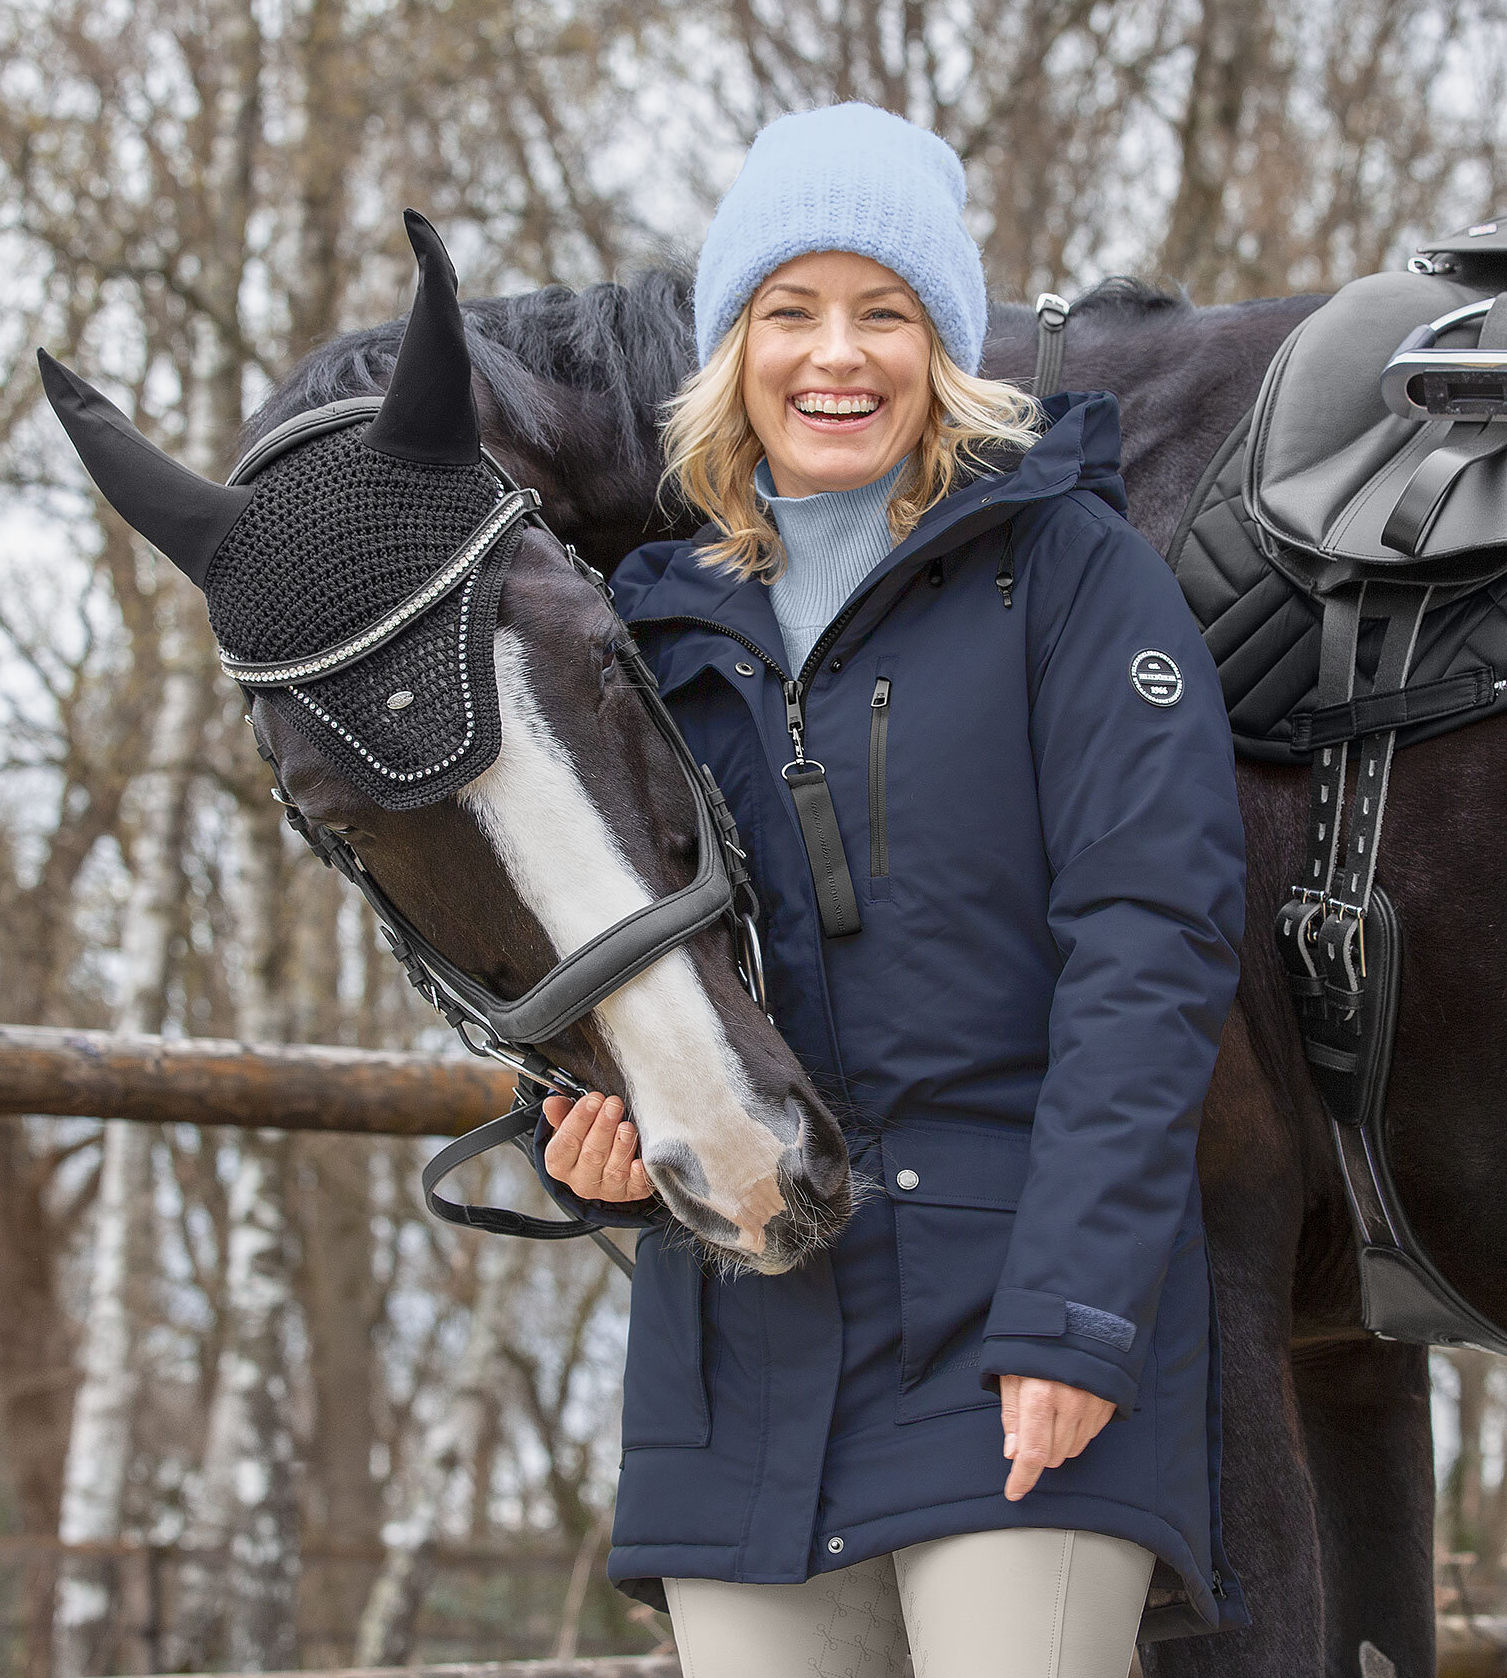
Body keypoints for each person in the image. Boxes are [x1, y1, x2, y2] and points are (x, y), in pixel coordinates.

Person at [534, 100, 1249, 1678]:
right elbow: (618, 965)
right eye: (788, 312)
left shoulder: (1069, 568)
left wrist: (1073, 1316)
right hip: (739, 1351)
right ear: (734, 350)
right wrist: (584, 1129)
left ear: (947, 347)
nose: (833, 355)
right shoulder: (644, 638)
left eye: (885, 311)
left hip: (1013, 1322)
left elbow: (1151, 948)